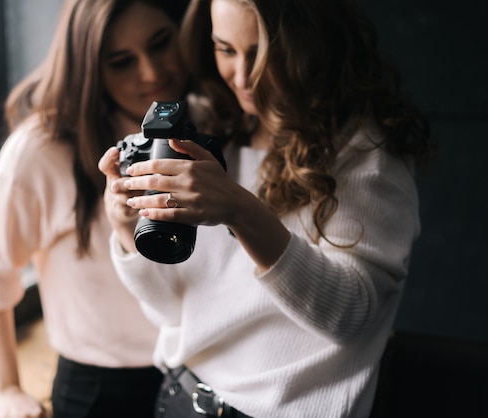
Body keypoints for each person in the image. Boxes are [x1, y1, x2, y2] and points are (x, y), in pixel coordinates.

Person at [98, 0, 436, 416]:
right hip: (180, 400)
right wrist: (127, 234)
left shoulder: (367, 152)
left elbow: (351, 319)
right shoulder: (209, 127)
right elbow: (172, 311)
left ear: (311, 43)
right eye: (225, 49)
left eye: (262, 54)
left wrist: (242, 211)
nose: (242, 78)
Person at [0, 0, 191, 417]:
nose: (153, 73)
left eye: (160, 44)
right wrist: (6, 388)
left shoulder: (205, 124)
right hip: (102, 389)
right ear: (90, 69)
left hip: (198, 372)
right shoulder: (40, 149)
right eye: (121, 62)